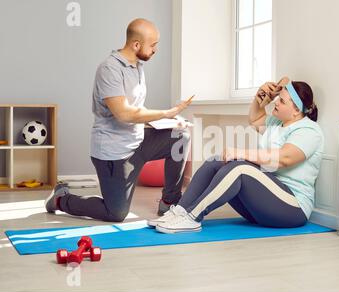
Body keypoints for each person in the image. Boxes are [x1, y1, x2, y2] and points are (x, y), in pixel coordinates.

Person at [45, 19, 192, 222]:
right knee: (116, 214)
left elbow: (137, 110)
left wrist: (168, 121)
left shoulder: (137, 67)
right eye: (153, 45)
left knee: (180, 136)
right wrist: (165, 113)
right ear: (136, 45)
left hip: (138, 143)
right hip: (114, 154)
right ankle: (62, 199)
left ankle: (169, 203)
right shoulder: (109, 69)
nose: (156, 49)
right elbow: (123, 114)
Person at [148, 79, 324, 233]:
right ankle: (180, 211)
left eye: (282, 101)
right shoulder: (278, 123)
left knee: (239, 168)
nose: (276, 102)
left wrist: (240, 153)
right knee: (217, 161)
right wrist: (259, 97)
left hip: (292, 208)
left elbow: (284, 158)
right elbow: (255, 119)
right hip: (267, 204)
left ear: (296, 110)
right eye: (278, 99)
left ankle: (192, 218)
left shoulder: (308, 130)